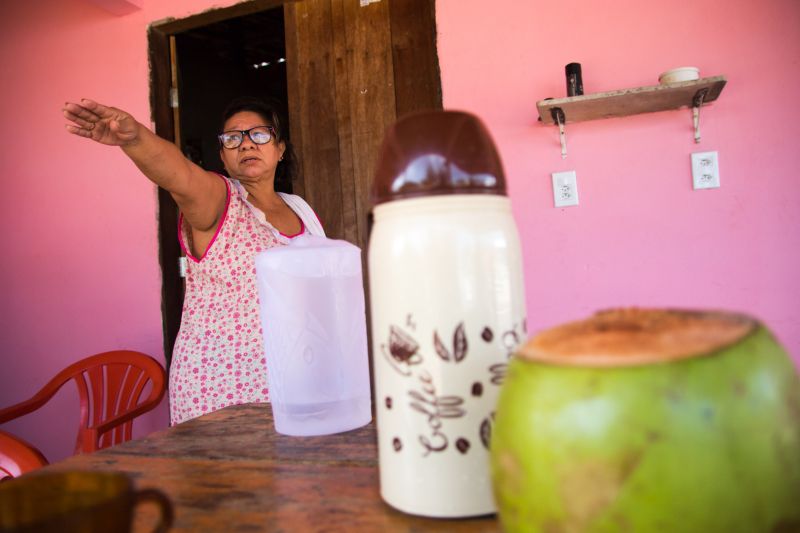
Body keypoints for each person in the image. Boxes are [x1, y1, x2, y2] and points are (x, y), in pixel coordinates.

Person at [63, 97, 325, 424]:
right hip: (224, 392)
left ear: (280, 148)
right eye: (233, 138)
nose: (245, 144)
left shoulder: (300, 209)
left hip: (294, 385)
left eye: (259, 134)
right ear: (222, 157)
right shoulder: (219, 200)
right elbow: (180, 175)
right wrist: (134, 139)